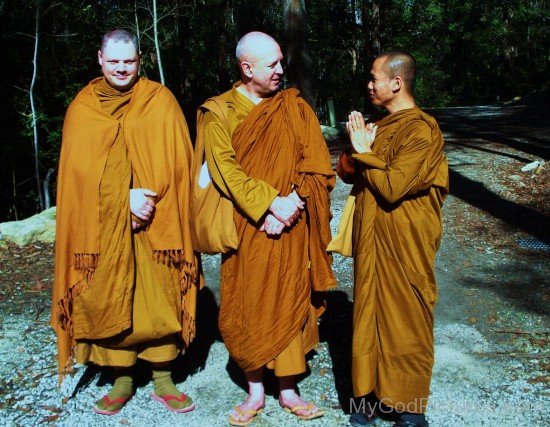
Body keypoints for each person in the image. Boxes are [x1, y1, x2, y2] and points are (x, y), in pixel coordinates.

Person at [51, 29, 199, 415]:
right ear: (99, 58)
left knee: (158, 296)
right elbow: (77, 178)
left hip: (156, 221)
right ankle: (121, 380)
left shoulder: (159, 101)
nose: (121, 68)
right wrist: (122, 199)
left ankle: (164, 377)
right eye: (113, 61)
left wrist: (146, 198)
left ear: (140, 60)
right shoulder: (83, 108)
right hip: (102, 228)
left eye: (129, 61)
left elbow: (178, 162)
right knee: (109, 293)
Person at [197, 31, 336, 425]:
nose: (280, 70)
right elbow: (225, 170)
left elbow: (317, 164)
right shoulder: (218, 112)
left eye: (280, 62)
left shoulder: (294, 107)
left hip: (291, 223)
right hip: (245, 224)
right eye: (271, 64)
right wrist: (270, 205)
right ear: (246, 68)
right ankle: (256, 390)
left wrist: (293, 202)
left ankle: (289, 389)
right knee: (248, 301)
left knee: (290, 295)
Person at [340, 51, 449, 427]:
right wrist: (356, 152)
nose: (369, 85)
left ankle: (410, 406)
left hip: (405, 244)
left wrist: (364, 152)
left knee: (407, 318)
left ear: (396, 83)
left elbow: (392, 186)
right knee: (367, 313)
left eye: (374, 78)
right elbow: (348, 172)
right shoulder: (381, 125)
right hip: (371, 239)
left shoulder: (421, 130)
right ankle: (367, 397)